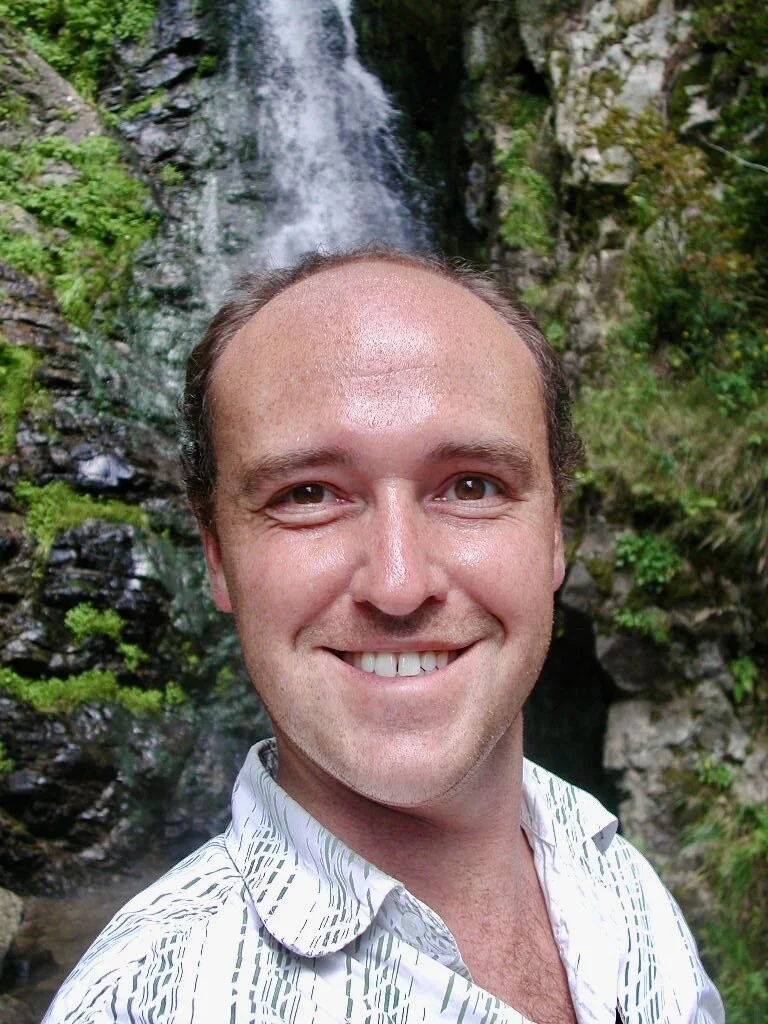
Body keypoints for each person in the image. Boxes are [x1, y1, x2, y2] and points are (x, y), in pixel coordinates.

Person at [43, 247, 724, 1024]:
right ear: (217, 555)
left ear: (556, 533)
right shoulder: (143, 1003)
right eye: (308, 495)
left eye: (472, 486)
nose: (398, 584)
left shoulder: (614, 873)